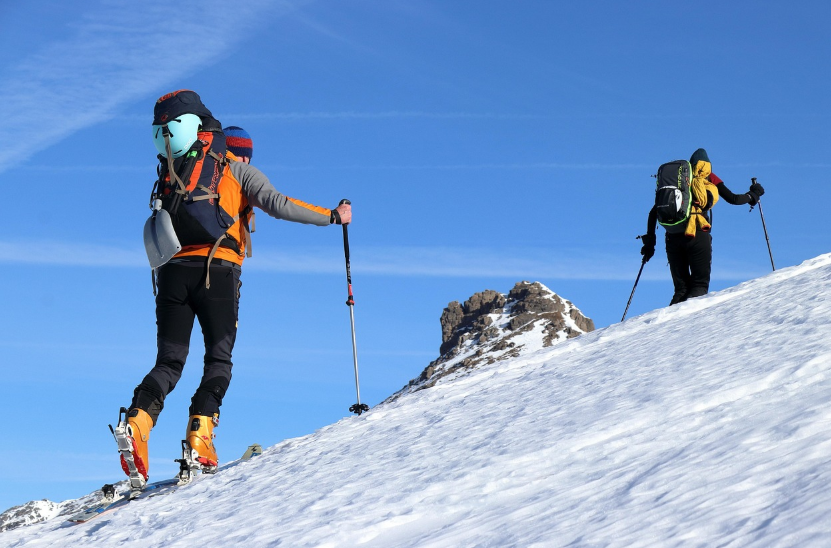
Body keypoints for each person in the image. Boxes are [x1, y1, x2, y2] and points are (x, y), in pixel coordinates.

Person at [122, 91, 352, 483]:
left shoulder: (178, 168)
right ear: (242, 152)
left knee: (169, 362)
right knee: (219, 360)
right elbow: (278, 203)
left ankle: (137, 424)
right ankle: (200, 438)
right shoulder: (238, 170)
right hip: (218, 273)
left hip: (172, 272)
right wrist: (332, 216)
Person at [640, 148, 764, 305]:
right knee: (699, 286)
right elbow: (733, 199)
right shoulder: (709, 176)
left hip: (673, 237)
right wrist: (753, 195)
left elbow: (654, 212)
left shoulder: (681, 181)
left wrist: (650, 243)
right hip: (698, 234)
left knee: (681, 290)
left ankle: (669, 320)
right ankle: (690, 321)